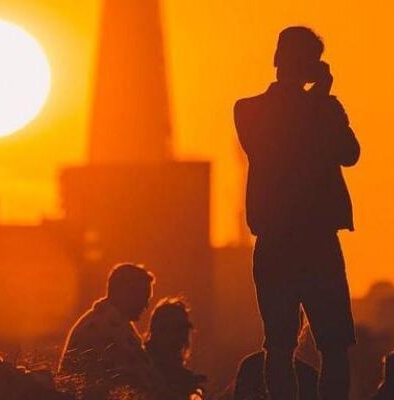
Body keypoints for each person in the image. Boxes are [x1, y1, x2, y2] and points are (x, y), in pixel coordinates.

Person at [234, 26, 360, 400]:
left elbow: (349, 154)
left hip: (292, 242)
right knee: (300, 345)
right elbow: (295, 139)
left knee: (302, 344)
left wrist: (321, 100)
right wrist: (321, 97)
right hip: (301, 242)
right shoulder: (254, 109)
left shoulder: (314, 108)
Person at [58, 263, 165, 399]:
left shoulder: (113, 322)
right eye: (143, 297)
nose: (146, 305)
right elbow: (139, 381)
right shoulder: (105, 327)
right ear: (125, 293)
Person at [144, 297, 207, 399]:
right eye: (176, 329)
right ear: (158, 330)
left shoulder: (176, 370)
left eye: (183, 329)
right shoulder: (143, 366)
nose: (181, 336)